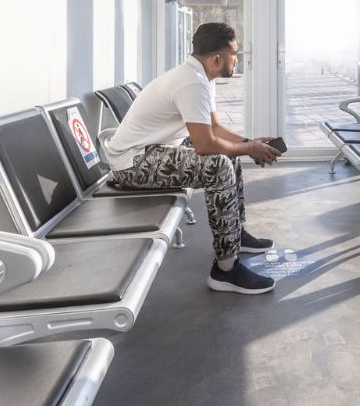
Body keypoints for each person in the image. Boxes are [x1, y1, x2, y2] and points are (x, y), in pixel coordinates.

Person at [105, 22, 282, 294]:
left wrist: (249, 143)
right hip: (132, 164)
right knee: (219, 164)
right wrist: (248, 149)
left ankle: (235, 234)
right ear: (216, 59)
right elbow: (205, 144)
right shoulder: (192, 82)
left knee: (229, 151)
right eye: (234, 54)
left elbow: (214, 129)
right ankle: (225, 270)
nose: (237, 59)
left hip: (153, 149)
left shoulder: (201, 77)